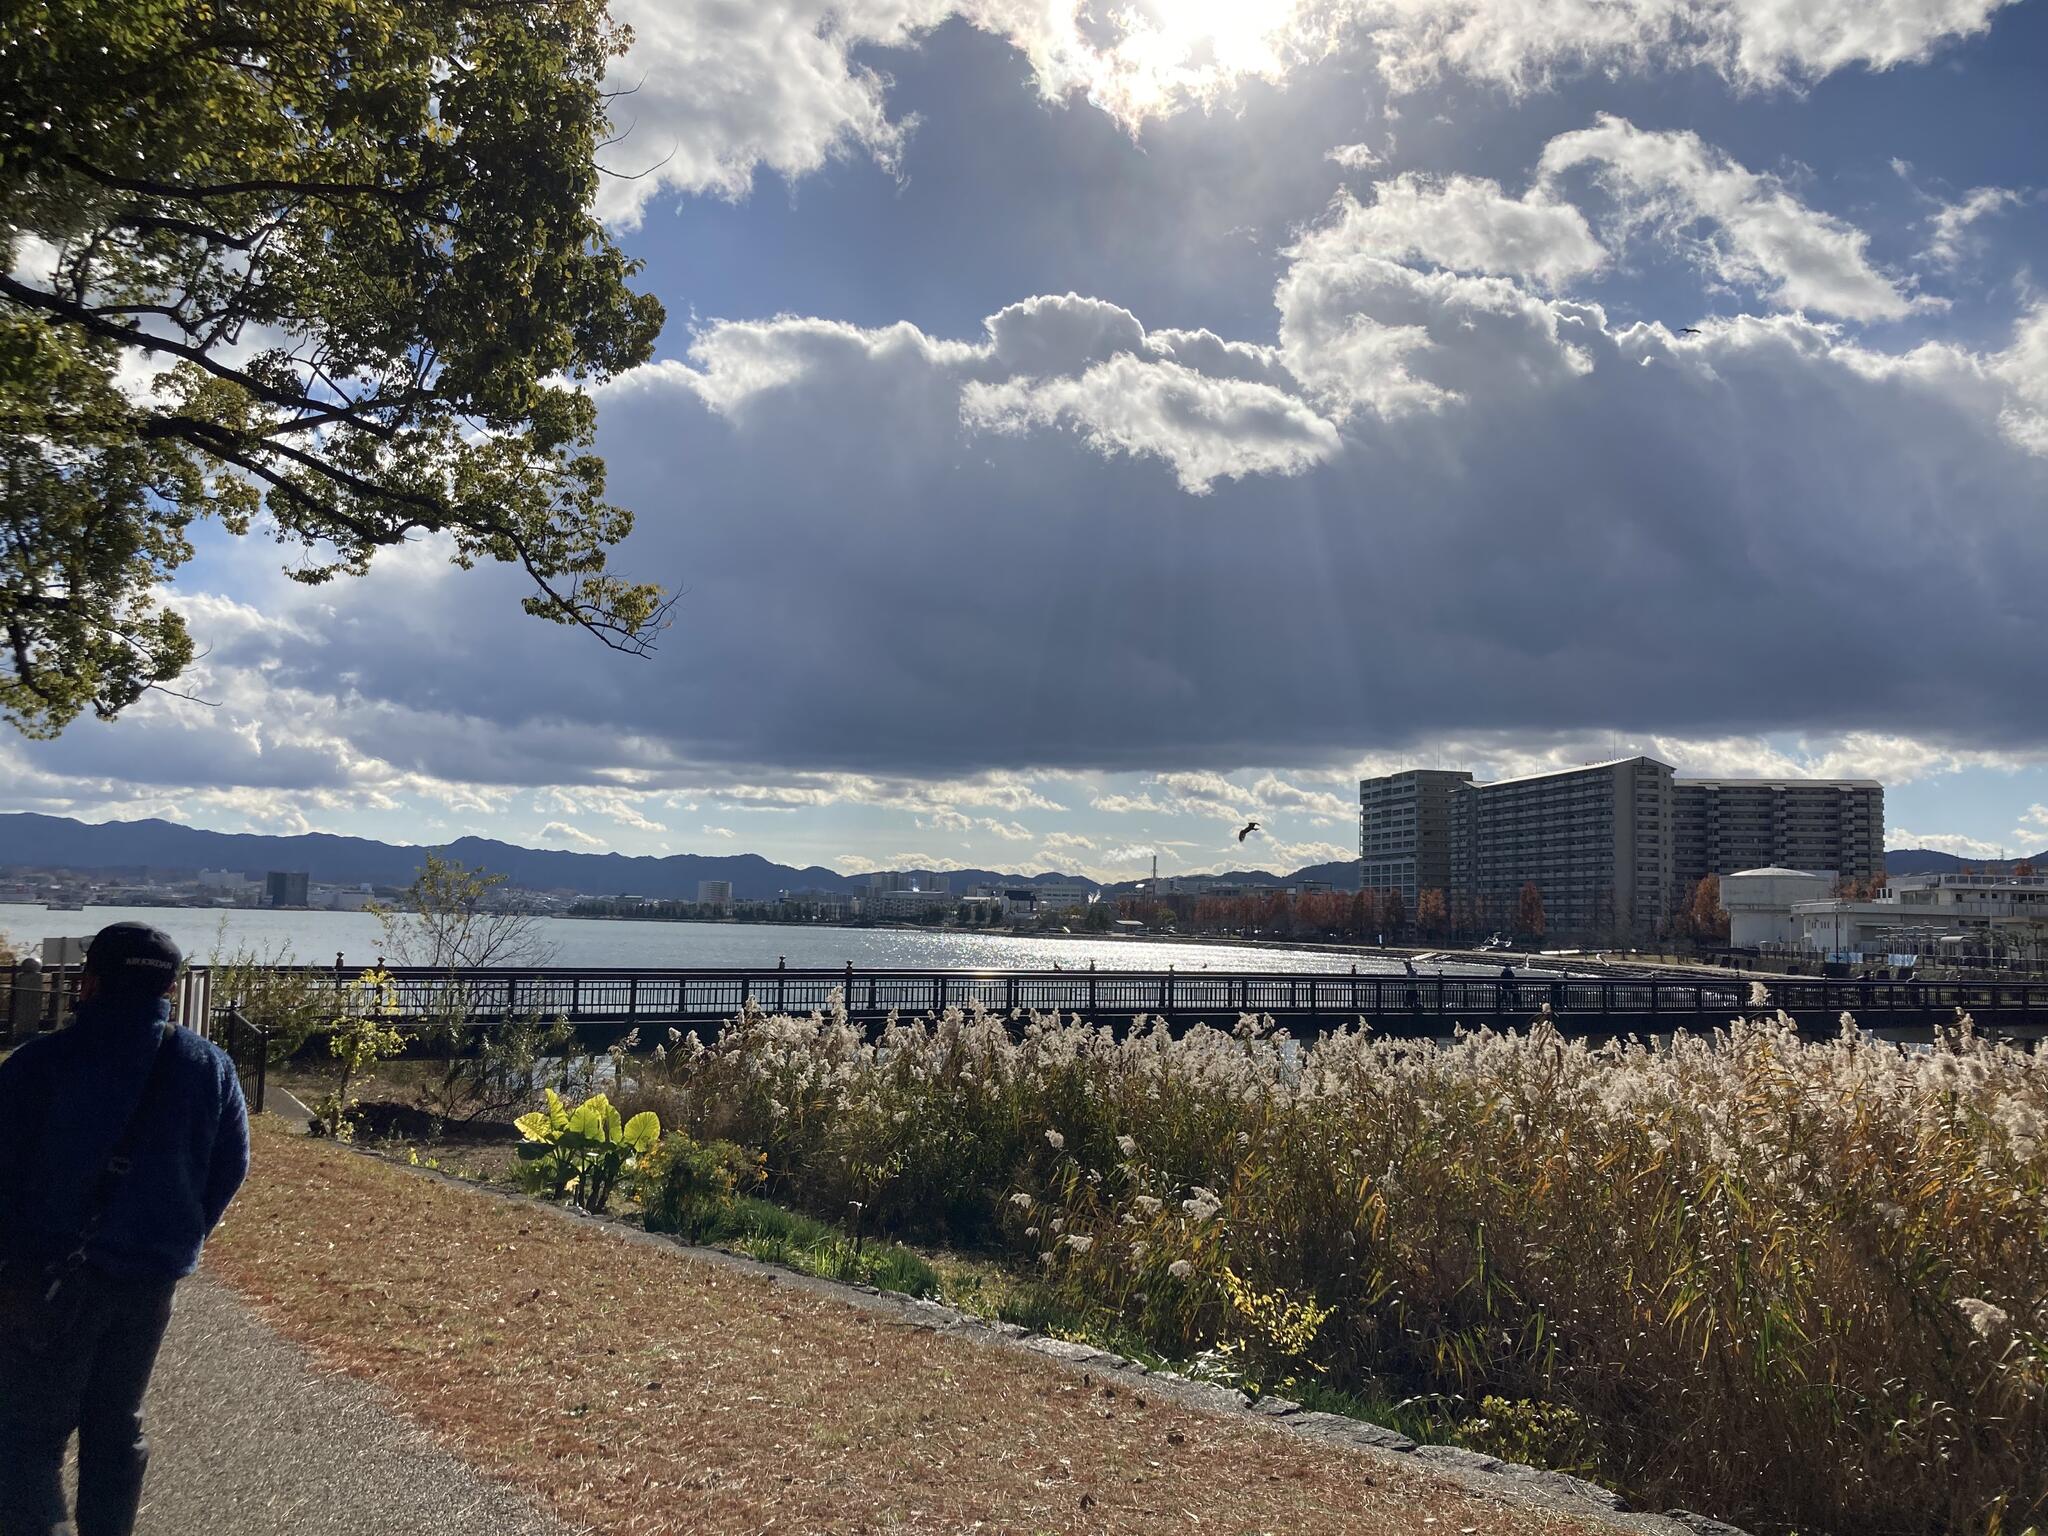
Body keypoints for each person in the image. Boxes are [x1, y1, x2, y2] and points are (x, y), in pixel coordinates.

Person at [0, 923, 250, 1536]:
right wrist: (181, 1235)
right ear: (170, 986)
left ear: (89, 982)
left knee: (27, 1433)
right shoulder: (206, 1065)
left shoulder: (41, 1064)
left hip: (45, 1273)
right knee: (118, 1424)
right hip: (147, 1278)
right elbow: (231, 1165)